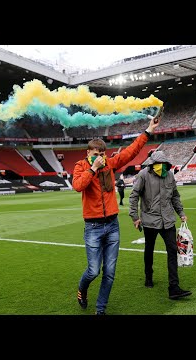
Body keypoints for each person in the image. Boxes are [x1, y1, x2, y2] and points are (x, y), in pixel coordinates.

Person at [72, 115, 160, 315]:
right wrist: (93, 169)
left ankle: (100, 309)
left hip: (112, 225)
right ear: (88, 153)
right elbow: (78, 186)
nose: (100, 157)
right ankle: (82, 290)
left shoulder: (110, 164)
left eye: (102, 154)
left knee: (109, 273)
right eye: (96, 154)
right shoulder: (81, 166)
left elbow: (131, 151)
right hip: (93, 227)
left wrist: (148, 130)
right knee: (94, 271)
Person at [128, 150, 192, 300]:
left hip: (168, 219)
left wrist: (181, 213)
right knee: (149, 249)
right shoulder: (143, 174)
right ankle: (148, 276)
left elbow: (175, 195)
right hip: (150, 220)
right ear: (152, 164)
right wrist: (135, 217)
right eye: (157, 164)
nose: (160, 167)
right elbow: (134, 195)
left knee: (172, 250)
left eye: (163, 164)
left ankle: (174, 287)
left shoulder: (169, 175)